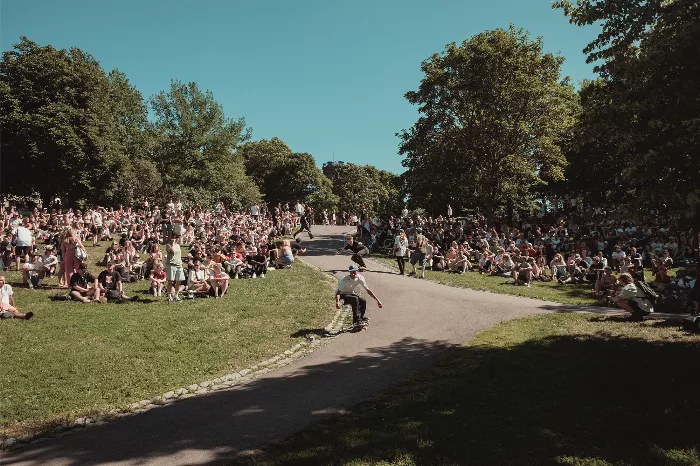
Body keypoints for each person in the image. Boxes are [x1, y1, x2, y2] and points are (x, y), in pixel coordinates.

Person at [335, 265, 383, 329]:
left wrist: (377, 300)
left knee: (363, 300)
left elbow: (368, 290)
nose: (353, 273)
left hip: (350, 294)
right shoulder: (345, 280)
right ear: (349, 272)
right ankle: (356, 321)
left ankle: (360, 318)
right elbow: (338, 293)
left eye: (354, 272)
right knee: (355, 299)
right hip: (342, 295)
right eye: (351, 272)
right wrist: (337, 302)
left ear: (357, 271)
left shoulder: (360, 278)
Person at [166, 234, 185, 302]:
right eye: (174, 238)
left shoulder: (178, 245)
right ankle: (169, 296)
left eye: (177, 238)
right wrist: (173, 242)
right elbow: (172, 250)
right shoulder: (168, 245)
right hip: (171, 265)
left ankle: (176, 295)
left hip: (179, 265)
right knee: (170, 281)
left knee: (179, 281)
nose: (176, 239)